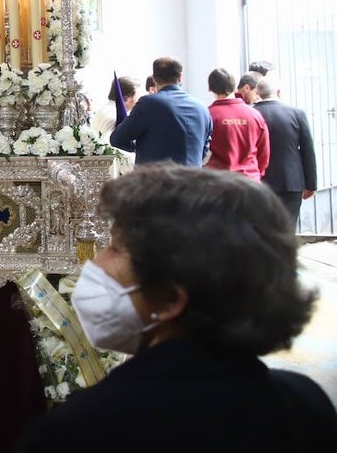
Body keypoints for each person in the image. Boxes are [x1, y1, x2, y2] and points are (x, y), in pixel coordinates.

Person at [18, 165, 337, 452]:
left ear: (171, 299)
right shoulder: (304, 404)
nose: (96, 262)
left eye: (114, 248)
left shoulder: (80, 431)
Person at [110, 56, 211, 166]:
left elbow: (117, 139)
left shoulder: (148, 104)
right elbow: (204, 150)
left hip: (156, 175)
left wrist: (141, 145)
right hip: (192, 175)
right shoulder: (202, 108)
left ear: (154, 79)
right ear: (180, 77)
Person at [255, 76, 317, 226]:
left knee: (262, 228)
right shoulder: (297, 113)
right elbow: (307, 150)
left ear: (257, 93)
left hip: (258, 180)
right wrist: (311, 184)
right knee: (287, 228)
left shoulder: (251, 113)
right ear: (278, 92)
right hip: (291, 180)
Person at [205, 68, 269, 180]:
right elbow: (264, 153)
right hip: (249, 180)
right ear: (235, 86)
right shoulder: (254, 115)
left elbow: (202, 151)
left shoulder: (208, 115)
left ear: (210, 88)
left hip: (218, 181)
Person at [90, 76, 138, 141]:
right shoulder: (116, 117)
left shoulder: (104, 110)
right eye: (137, 95)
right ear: (128, 98)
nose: (139, 99)